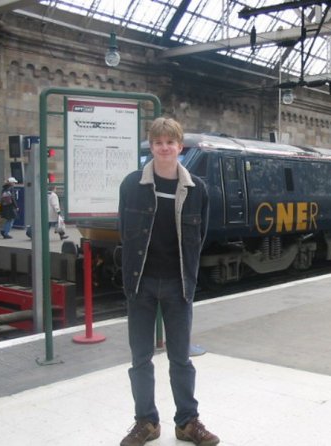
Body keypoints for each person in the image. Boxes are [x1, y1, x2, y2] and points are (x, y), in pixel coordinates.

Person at [118, 117, 218, 446]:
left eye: (170, 142)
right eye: (158, 142)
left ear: (180, 146)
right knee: (140, 358)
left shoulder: (197, 189)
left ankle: (187, 422)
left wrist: (185, 275)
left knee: (180, 359)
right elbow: (125, 234)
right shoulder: (132, 185)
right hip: (141, 284)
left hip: (178, 285)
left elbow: (199, 237)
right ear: (152, 145)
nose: (164, 147)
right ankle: (146, 423)